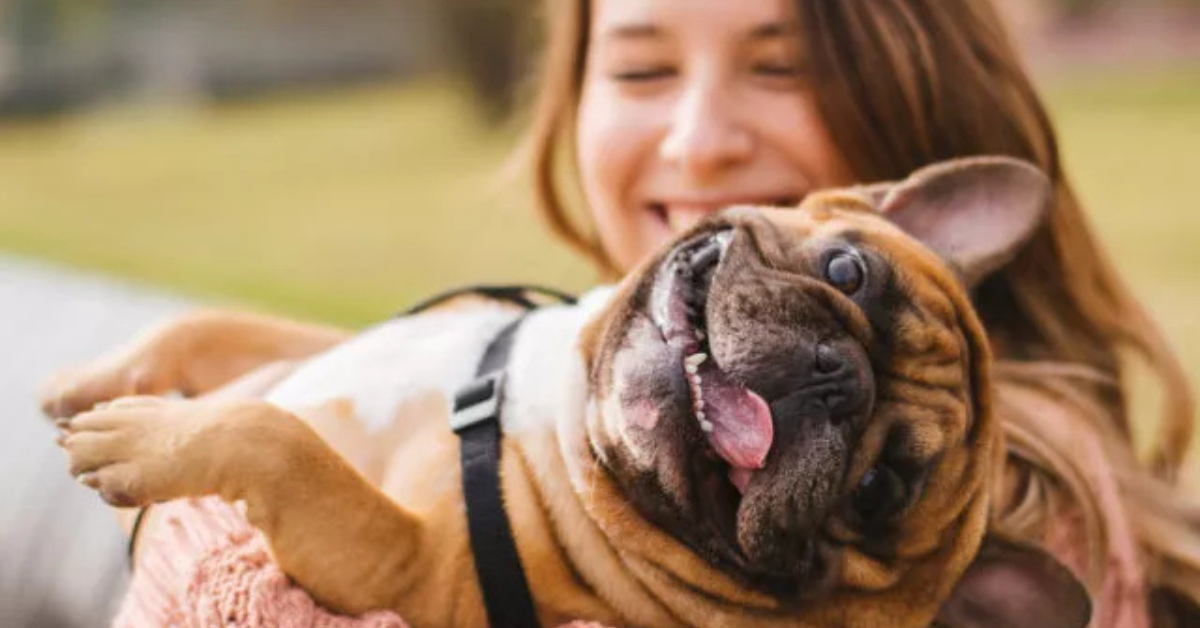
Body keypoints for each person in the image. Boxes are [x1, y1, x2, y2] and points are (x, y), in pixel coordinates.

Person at [42, 0, 1200, 626]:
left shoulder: (1032, 510)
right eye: (643, 71)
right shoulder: (583, 360)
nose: (699, 139)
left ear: (920, 107)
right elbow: (389, 376)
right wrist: (209, 358)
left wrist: (193, 515)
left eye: (779, 68)